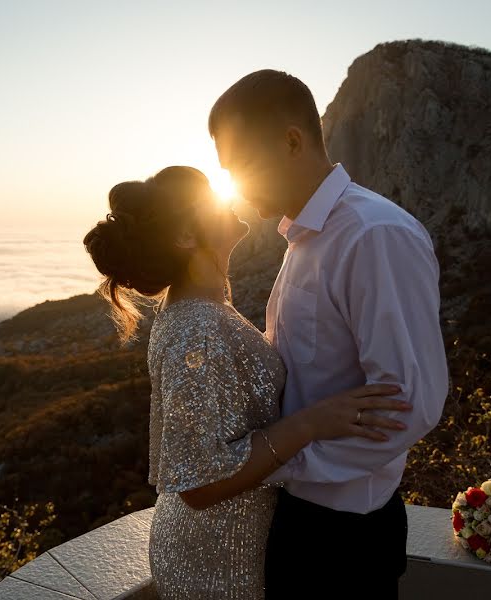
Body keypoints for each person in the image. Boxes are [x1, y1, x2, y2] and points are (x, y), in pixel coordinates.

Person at [83, 165, 412, 599]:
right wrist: (313, 423)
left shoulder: (203, 309)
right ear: (184, 236)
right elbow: (198, 486)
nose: (224, 197)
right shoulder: (196, 328)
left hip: (233, 539)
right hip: (216, 557)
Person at [209, 70, 449, 598]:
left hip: (344, 539)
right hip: (300, 517)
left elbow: (409, 404)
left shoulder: (373, 235)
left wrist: (275, 459)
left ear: (292, 141)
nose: (234, 186)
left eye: (239, 166)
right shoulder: (304, 240)